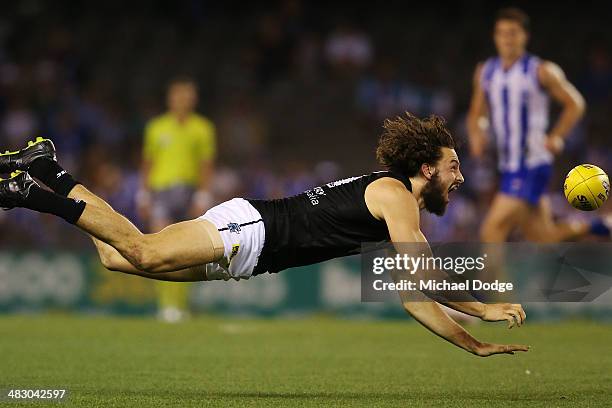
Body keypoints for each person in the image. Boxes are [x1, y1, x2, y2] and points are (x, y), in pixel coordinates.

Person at [0, 113, 528, 357]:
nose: (460, 178)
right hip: (251, 229)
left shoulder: (399, 208)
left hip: (252, 254)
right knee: (142, 248)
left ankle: (48, 169)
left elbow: (416, 299)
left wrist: (472, 343)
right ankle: (29, 192)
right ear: (427, 169)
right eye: (454, 167)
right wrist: (483, 307)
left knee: (122, 257)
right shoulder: (394, 195)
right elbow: (424, 275)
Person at [467, 8, 610, 243]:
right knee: (544, 238)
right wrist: (477, 132)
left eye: (513, 33)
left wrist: (557, 136)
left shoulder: (540, 70)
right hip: (507, 165)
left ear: (525, 36)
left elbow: (575, 103)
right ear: (495, 36)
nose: (507, 39)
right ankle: (600, 226)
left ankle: (493, 282)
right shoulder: (486, 71)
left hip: (532, 162)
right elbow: (476, 113)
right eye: (502, 33)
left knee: (492, 230)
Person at [139, 76, 217, 322]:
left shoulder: (203, 128)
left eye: (188, 95)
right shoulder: (156, 127)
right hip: (162, 191)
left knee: (190, 251)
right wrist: (143, 194)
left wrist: (204, 194)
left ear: (194, 98)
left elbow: (206, 165)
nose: (183, 99)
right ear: (170, 98)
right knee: (160, 248)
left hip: (190, 191)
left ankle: (181, 305)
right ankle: (165, 305)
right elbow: (148, 164)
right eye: (179, 95)